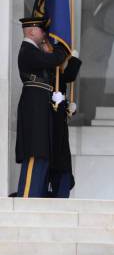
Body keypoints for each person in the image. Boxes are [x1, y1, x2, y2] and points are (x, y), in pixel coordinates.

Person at [15, 17, 69, 197]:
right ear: (31, 31)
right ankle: (28, 196)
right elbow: (52, 60)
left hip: (40, 103)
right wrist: (63, 48)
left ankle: (35, 194)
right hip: (34, 105)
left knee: (42, 152)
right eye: (41, 30)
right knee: (35, 152)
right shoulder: (27, 50)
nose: (45, 34)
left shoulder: (33, 50)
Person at [41, 39, 82, 197]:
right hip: (47, 118)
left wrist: (66, 107)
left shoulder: (55, 68)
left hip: (58, 118)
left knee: (62, 156)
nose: (48, 48)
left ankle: (61, 190)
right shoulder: (43, 65)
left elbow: (66, 77)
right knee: (54, 157)